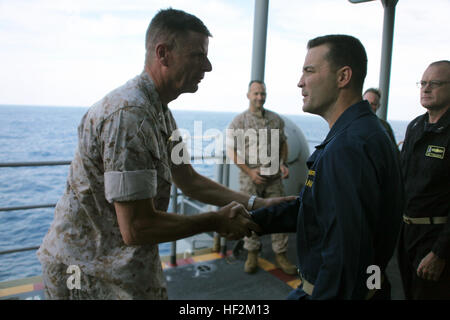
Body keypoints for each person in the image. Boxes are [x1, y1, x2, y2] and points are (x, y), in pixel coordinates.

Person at [37, 8, 292, 300]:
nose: (208, 66)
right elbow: (136, 226)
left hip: (125, 264)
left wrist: (257, 202)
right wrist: (214, 220)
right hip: (88, 272)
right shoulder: (129, 115)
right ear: (164, 54)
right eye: (198, 55)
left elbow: (189, 180)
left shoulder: (159, 111)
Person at [249, 34, 404, 299]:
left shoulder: (348, 147)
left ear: (343, 77)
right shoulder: (365, 133)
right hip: (370, 286)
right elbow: (322, 211)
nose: (300, 82)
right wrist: (251, 221)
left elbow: (344, 253)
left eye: (309, 71)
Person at [227, 80, 297, 275]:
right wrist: (250, 172)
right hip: (251, 178)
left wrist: (283, 163)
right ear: (248, 95)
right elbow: (231, 151)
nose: (260, 97)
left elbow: (283, 143)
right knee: (249, 215)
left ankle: (281, 254)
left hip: (274, 177)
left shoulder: (276, 119)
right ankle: (252, 253)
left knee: (279, 213)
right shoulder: (239, 121)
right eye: (256, 93)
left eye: (263, 93)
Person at [397, 60, 450, 300]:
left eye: (435, 83)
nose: (426, 89)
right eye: (423, 83)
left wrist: (440, 253)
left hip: (435, 238)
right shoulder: (416, 126)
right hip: (407, 234)